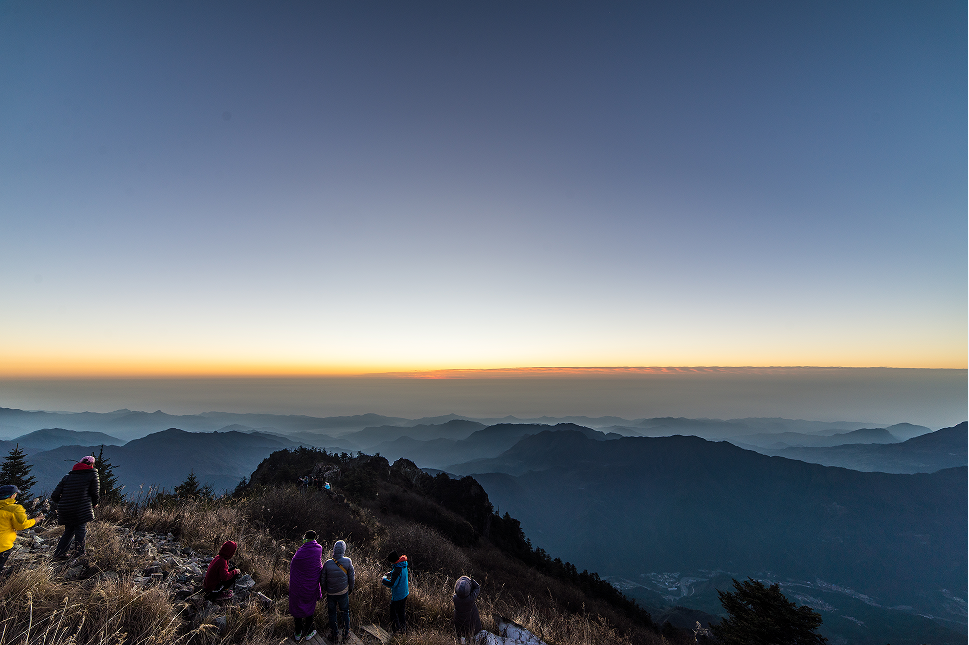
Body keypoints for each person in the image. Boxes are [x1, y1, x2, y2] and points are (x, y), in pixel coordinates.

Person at [50, 455, 99, 559]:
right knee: (80, 529)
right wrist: (95, 503)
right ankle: (79, 554)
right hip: (81, 509)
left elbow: (54, 495)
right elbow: (95, 493)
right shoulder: (92, 475)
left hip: (65, 509)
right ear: (91, 464)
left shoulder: (68, 476)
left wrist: (63, 502)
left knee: (69, 530)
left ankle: (59, 554)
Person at [0, 485, 43, 574]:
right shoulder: (15, 508)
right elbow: (21, 526)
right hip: (3, 545)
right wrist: (34, 520)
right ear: (12, 495)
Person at [289, 530, 323, 642]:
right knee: (309, 606)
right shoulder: (318, 549)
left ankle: (298, 632)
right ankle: (309, 631)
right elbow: (318, 566)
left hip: (298, 585)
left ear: (305, 537)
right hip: (311, 584)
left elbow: (293, 565)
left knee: (297, 606)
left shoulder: (301, 551)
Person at [321, 539, 355, 642]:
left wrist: (325, 589)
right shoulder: (348, 561)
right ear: (343, 550)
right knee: (345, 612)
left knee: (332, 613)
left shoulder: (327, 563)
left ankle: (334, 634)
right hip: (343, 592)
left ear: (334, 550)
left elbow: (322, 578)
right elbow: (351, 577)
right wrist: (351, 588)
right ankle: (345, 634)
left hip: (331, 593)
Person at [381, 551, 409, 632]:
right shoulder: (403, 564)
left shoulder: (397, 570)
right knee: (401, 613)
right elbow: (398, 573)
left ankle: (396, 632)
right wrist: (390, 573)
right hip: (405, 593)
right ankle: (403, 630)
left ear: (392, 561)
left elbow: (392, 584)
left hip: (398, 596)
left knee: (393, 614)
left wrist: (383, 580)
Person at [453, 576, 483, 641]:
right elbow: (477, 587)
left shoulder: (455, 598)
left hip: (459, 626)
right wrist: (471, 581)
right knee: (474, 636)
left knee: (461, 636)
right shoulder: (471, 599)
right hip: (473, 627)